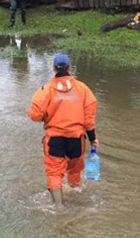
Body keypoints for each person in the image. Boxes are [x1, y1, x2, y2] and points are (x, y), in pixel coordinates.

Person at [27, 53, 99, 205]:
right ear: (69, 67)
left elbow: (35, 115)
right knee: (74, 170)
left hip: (55, 139)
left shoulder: (46, 90)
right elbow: (89, 119)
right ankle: (76, 196)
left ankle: (58, 208)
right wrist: (93, 139)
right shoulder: (83, 88)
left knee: (54, 173)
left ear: (53, 68)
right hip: (76, 139)